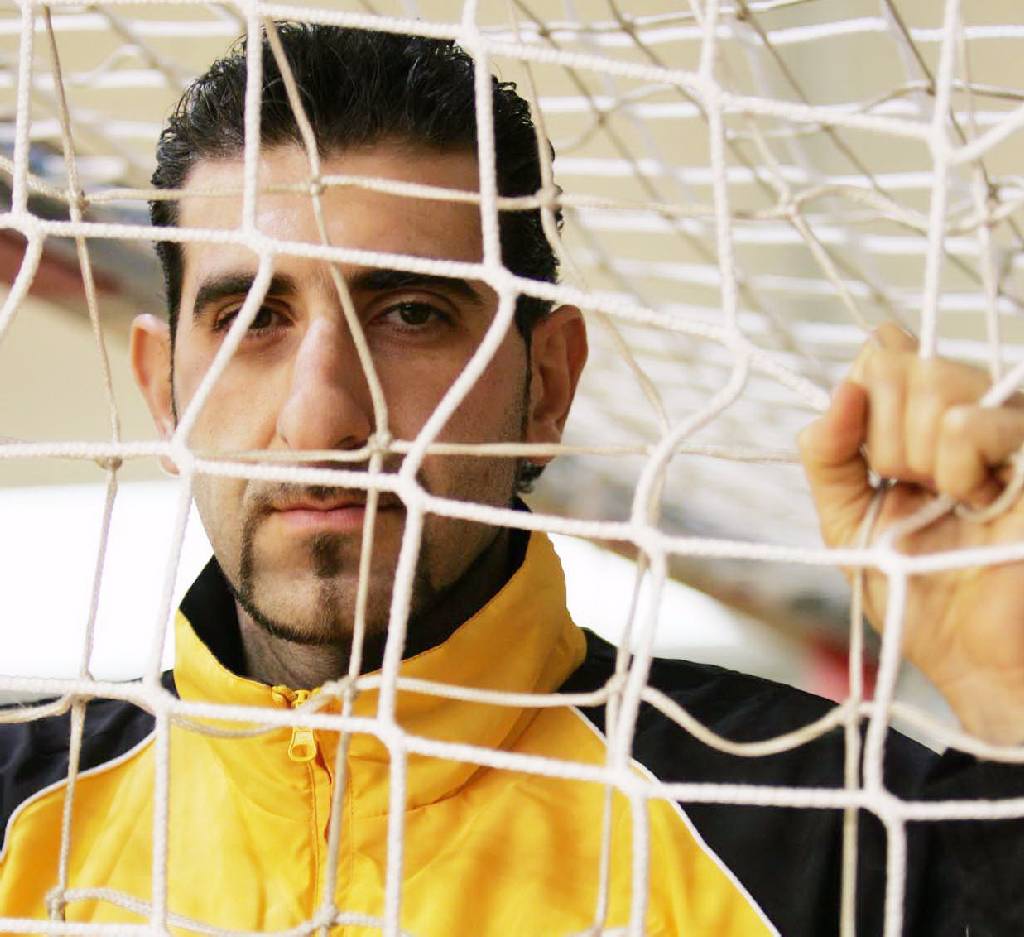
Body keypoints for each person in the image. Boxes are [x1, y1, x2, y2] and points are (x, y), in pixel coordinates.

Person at [0, 23, 1021, 937]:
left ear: (549, 386)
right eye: (250, 320)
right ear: (164, 391)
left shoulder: (828, 831)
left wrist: (1011, 699)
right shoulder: (20, 821)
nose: (320, 419)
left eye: (411, 315)